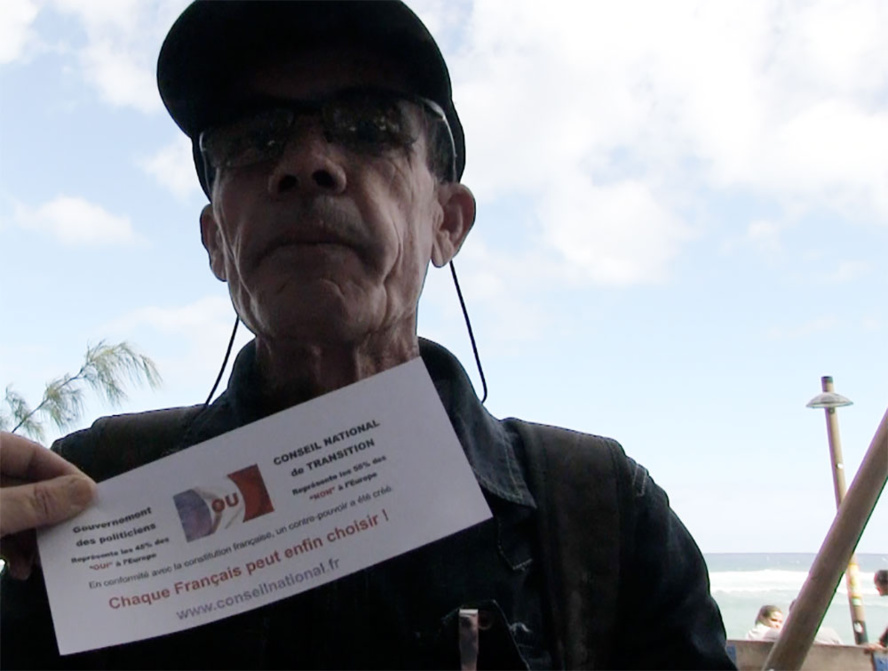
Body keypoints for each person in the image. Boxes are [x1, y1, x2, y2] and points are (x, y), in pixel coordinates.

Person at [0, 2, 734, 668]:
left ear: (448, 221)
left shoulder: (603, 514)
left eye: (371, 127)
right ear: (215, 239)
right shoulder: (98, 493)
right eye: (254, 137)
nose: (306, 164)